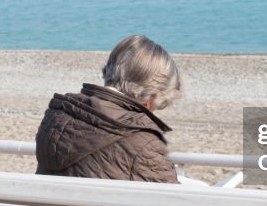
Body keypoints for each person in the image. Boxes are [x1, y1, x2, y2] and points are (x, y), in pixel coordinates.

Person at [35, 34, 182, 183]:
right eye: (159, 104)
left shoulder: (55, 119)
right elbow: (173, 202)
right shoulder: (143, 143)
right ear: (150, 97)